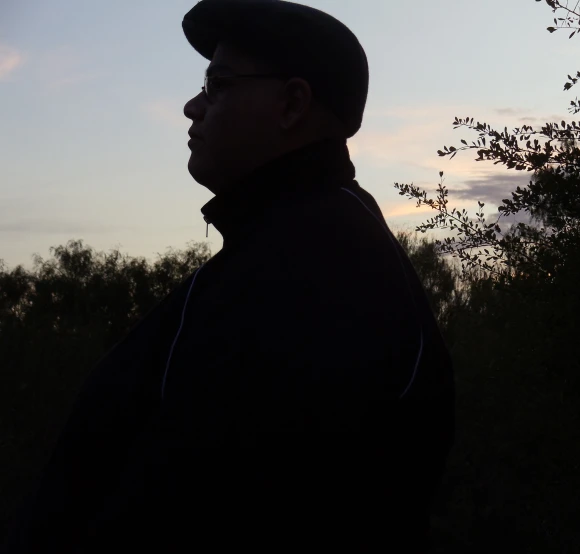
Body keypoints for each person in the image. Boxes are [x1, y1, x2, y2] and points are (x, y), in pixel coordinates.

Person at [1, 1, 456, 552]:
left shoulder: (316, 270)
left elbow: (207, 503)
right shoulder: (288, 245)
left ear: (292, 104)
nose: (192, 106)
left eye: (218, 85)